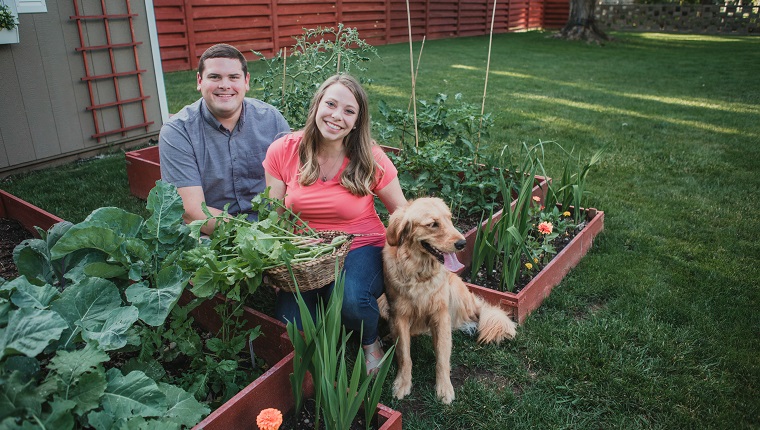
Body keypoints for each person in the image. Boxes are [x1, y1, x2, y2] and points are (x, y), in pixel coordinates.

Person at [263, 74, 407, 374]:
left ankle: (370, 342)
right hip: (307, 255)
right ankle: (329, 314)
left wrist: (402, 267)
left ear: (357, 121)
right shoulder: (284, 150)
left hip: (360, 245)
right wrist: (271, 260)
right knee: (292, 326)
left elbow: (402, 213)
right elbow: (274, 217)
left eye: (348, 111)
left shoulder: (370, 157)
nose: (336, 116)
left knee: (350, 299)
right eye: (330, 104)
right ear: (317, 105)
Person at [159, 43, 290, 234]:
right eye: (214, 77)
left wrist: (275, 229)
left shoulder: (271, 120)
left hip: (274, 225)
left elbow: (296, 182)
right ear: (199, 81)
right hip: (211, 234)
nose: (225, 85)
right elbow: (191, 211)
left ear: (246, 81)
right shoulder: (178, 132)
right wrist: (253, 234)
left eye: (233, 77)